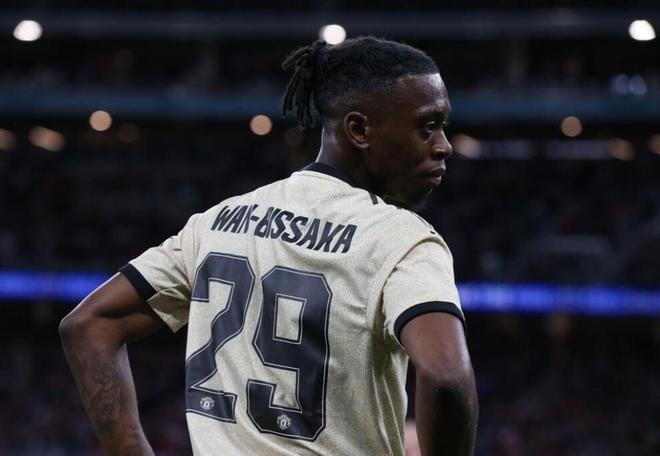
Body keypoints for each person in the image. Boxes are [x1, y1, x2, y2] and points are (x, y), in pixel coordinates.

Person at [60, 36, 478, 456]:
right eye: (427, 126)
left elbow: (89, 324)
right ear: (359, 130)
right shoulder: (400, 239)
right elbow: (446, 377)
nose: (443, 145)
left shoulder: (218, 221)